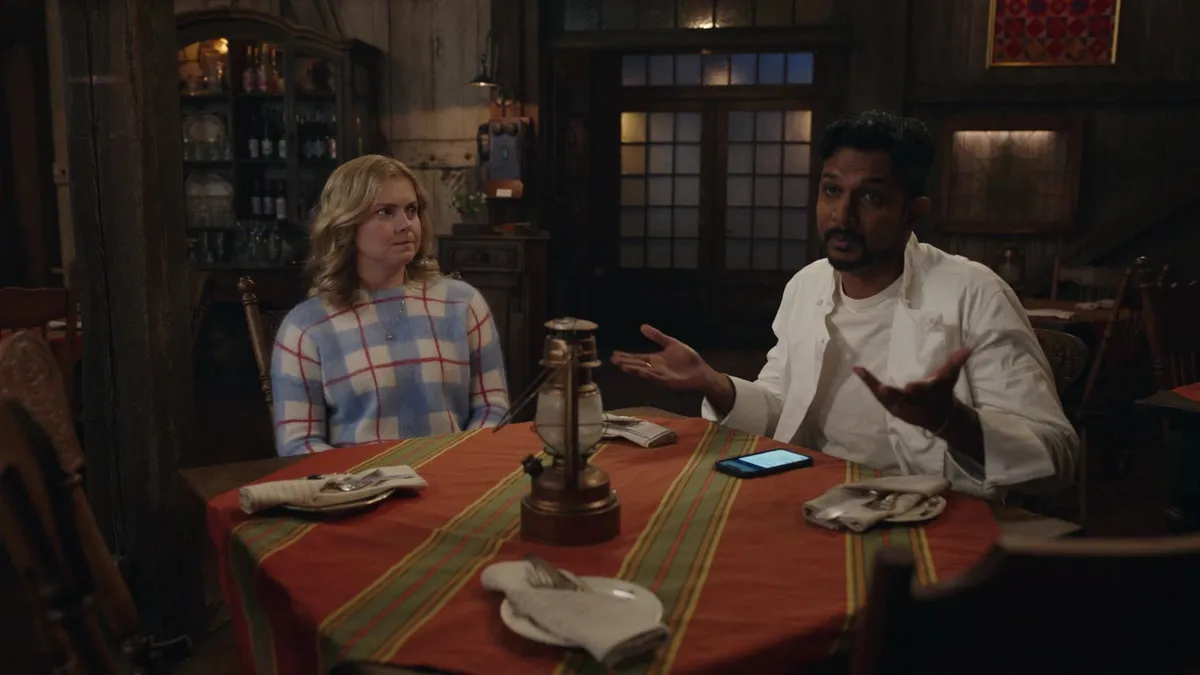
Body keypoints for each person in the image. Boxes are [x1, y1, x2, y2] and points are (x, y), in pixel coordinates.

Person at [612, 111, 1078, 500]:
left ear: (913, 212)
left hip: (927, 512)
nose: (842, 215)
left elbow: (1057, 458)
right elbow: (781, 410)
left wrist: (951, 421)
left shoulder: (974, 293)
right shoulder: (807, 285)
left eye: (871, 197)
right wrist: (714, 383)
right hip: (810, 496)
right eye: (832, 190)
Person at [271, 155, 509, 456]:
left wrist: (456, 461)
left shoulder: (463, 304)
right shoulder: (306, 328)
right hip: (356, 482)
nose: (405, 224)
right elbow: (298, 443)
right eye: (386, 212)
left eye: (411, 210)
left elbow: (493, 407)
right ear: (346, 224)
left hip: (452, 473)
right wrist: (364, 478)